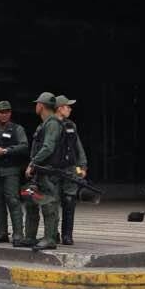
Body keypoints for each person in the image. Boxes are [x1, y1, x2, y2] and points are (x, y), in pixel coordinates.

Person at [21, 92, 64, 250]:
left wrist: (33, 163)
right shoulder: (45, 124)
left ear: (41, 105)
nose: (36, 106)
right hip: (41, 171)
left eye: (37, 104)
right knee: (32, 200)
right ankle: (30, 236)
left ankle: (50, 238)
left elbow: (48, 147)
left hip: (48, 171)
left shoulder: (52, 123)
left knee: (48, 204)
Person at [0, 101, 29, 246]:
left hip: (10, 170)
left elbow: (24, 146)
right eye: (1, 112)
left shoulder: (17, 129)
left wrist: (6, 151)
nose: (4, 114)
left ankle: (18, 233)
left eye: (7, 111)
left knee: (13, 200)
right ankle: (2, 232)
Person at [55, 95, 87, 245]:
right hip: (53, 170)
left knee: (69, 201)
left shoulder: (71, 125)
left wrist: (82, 167)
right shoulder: (49, 125)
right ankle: (52, 233)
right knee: (52, 203)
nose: (70, 109)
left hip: (70, 169)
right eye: (68, 106)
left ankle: (67, 235)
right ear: (60, 108)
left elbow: (77, 148)